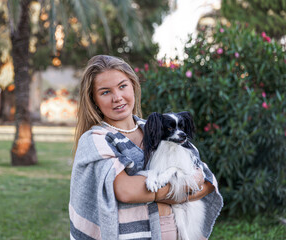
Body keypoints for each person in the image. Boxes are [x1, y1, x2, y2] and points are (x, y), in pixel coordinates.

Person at [69, 55, 223, 240]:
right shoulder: (96, 139)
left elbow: (206, 181)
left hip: (178, 231)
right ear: (93, 100)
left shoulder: (156, 130)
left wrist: (186, 182)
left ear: (133, 86)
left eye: (122, 86)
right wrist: (185, 186)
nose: (117, 97)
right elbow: (126, 191)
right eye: (105, 92)